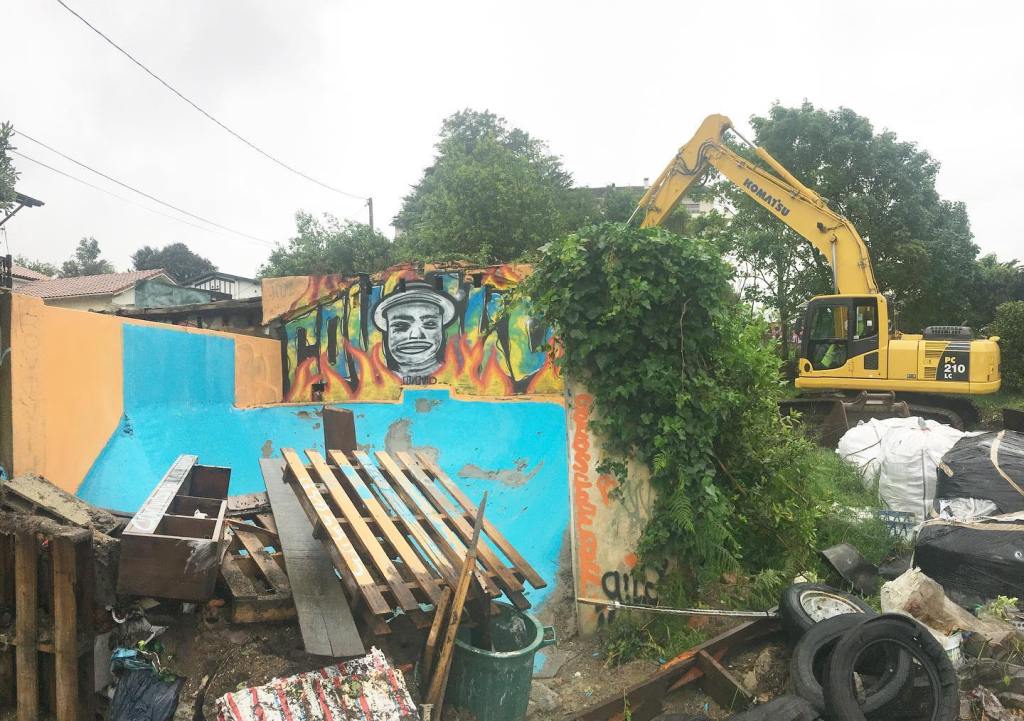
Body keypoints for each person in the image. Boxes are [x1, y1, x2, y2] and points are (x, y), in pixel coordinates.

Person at [372, 280, 457, 379]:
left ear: (441, 329)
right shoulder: (379, 382)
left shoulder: (457, 378)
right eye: (400, 325)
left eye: (429, 324)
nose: (415, 335)